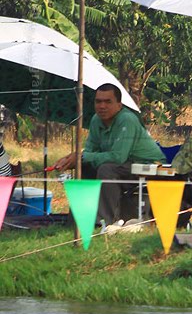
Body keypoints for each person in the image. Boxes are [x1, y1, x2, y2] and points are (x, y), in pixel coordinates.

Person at [53, 84, 164, 224]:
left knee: (107, 169)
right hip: (124, 166)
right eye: (98, 101)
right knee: (85, 167)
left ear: (119, 105)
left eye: (108, 102)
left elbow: (118, 157)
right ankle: (79, 220)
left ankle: (103, 222)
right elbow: (90, 151)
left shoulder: (127, 120)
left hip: (148, 166)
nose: (102, 106)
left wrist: (82, 156)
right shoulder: (95, 120)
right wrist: (74, 159)